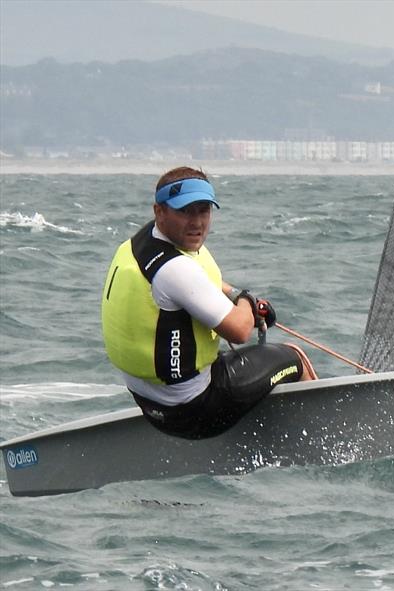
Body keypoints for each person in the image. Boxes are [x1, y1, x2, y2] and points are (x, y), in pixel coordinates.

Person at [101, 166, 317, 439]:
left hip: (151, 405)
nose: (196, 222)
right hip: (196, 412)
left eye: (203, 210)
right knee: (293, 356)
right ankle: (322, 438)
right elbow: (239, 331)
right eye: (185, 211)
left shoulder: (141, 245)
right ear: (160, 211)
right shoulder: (176, 270)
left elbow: (201, 284)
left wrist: (236, 294)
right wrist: (247, 302)